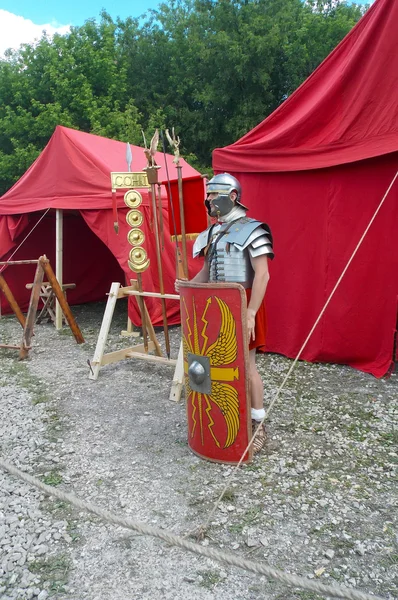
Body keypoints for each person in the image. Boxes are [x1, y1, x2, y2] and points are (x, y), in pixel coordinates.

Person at [175, 173, 274, 454]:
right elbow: (207, 273)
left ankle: (258, 422)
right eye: (207, 195)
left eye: (212, 195)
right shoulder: (213, 233)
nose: (207, 200)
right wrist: (187, 288)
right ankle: (223, 420)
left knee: (247, 366)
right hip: (215, 308)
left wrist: (251, 312)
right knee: (214, 367)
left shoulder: (253, 230)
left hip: (242, 304)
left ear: (232, 196)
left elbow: (263, 275)